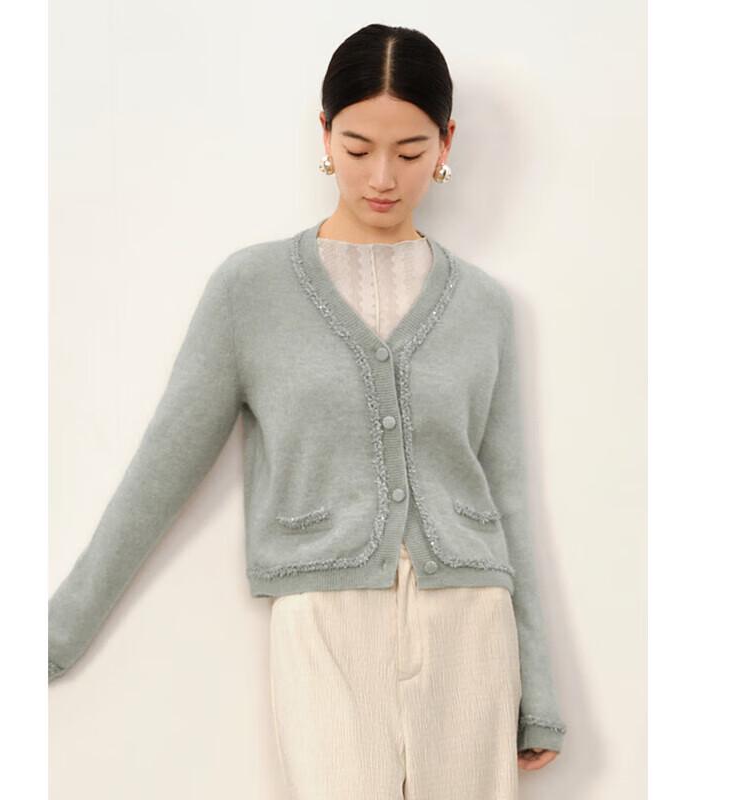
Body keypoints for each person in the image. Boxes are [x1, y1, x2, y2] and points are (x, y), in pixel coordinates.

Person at [49, 22, 567, 799]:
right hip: (324, 620)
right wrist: (55, 634)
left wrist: (542, 697)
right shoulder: (250, 291)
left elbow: (510, 497)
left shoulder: (484, 307)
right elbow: (161, 470)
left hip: (470, 620)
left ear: (447, 141)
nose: (383, 177)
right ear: (324, 134)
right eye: (358, 148)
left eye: (411, 151)